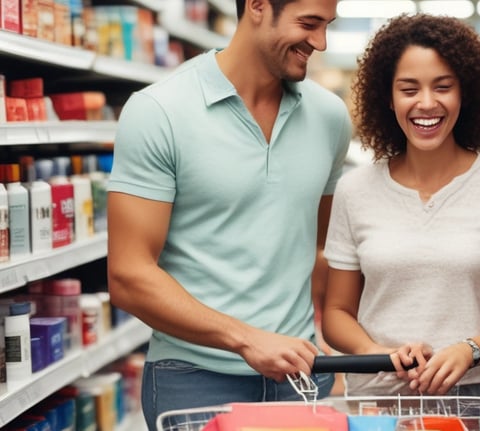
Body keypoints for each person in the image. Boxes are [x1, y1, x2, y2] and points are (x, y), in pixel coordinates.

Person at [106, 0, 352, 428]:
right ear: (257, 6)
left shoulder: (330, 118)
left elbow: (319, 248)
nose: (320, 42)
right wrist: (246, 340)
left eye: (327, 25)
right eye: (309, 24)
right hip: (194, 379)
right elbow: (129, 276)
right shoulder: (159, 111)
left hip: (300, 378)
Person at [321, 13, 480, 401]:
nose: (427, 103)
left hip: (477, 402)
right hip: (378, 402)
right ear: (387, 98)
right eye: (409, 89)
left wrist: (468, 350)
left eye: (443, 87)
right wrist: (377, 355)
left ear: (465, 93)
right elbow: (337, 314)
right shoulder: (355, 190)